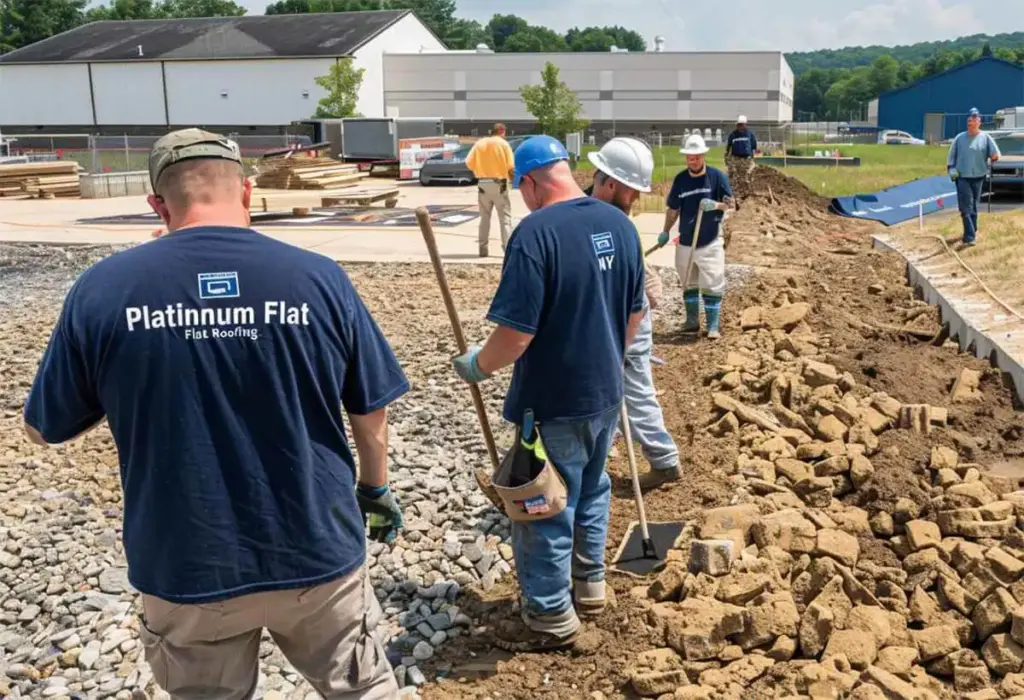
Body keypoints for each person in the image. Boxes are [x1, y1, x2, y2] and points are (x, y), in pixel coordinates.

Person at [23, 128, 408, 700]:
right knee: (362, 689)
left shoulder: (104, 290)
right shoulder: (320, 279)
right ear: (247, 192)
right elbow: (370, 412)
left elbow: (43, 427)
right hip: (315, 549)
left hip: (187, 564)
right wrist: (373, 487)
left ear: (157, 203)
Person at [451, 135, 646, 651]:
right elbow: (634, 314)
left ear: (532, 182)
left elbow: (516, 334)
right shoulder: (619, 226)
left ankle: (552, 617)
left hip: (554, 400)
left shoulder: (535, 234)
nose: (523, 197)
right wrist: (606, 357)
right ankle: (591, 586)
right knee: (594, 488)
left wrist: (480, 365)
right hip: (606, 393)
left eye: (522, 189)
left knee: (543, 507)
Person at [587, 137, 681, 487]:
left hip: (628, 317)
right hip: (604, 314)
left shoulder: (617, 219)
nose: (637, 198)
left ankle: (664, 459)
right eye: (632, 191)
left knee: (633, 387)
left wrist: (645, 277)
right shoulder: (589, 213)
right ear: (610, 183)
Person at [658, 133, 734, 340]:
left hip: (709, 239)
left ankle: (712, 326)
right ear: (686, 158)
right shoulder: (681, 180)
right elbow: (673, 209)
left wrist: (716, 205)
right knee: (688, 282)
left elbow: (731, 203)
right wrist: (665, 231)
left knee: (712, 282)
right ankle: (692, 322)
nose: (694, 160)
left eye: (697, 156)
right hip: (686, 240)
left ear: (703, 155)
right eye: (690, 157)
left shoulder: (717, 177)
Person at [948, 107, 1000, 248]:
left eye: (974, 119)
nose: (971, 122)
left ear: (979, 122)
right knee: (966, 207)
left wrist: (993, 158)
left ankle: (973, 229)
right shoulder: (960, 138)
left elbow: (995, 154)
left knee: (973, 205)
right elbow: (951, 158)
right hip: (963, 176)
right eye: (969, 120)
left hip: (979, 176)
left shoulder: (985, 137)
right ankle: (969, 237)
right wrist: (953, 175)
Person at [466, 122, 516, 257]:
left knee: (484, 217)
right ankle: (507, 248)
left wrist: (480, 170)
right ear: (502, 131)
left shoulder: (479, 143)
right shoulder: (504, 144)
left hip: (483, 183)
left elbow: (469, 162)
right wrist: (512, 180)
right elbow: (511, 166)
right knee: (505, 218)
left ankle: (483, 248)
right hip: (499, 183)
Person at [725, 115, 757, 196]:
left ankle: (748, 192)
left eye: (741, 124)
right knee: (733, 176)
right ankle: (731, 193)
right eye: (738, 124)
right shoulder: (733, 135)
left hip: (747, 159)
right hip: (735, 159)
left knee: (748, 175)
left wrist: (753, 158)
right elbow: (728, 148)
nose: (739, 126)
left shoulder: (750, 135)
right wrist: (727, 158)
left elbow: (754, 147)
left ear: (745, 125)